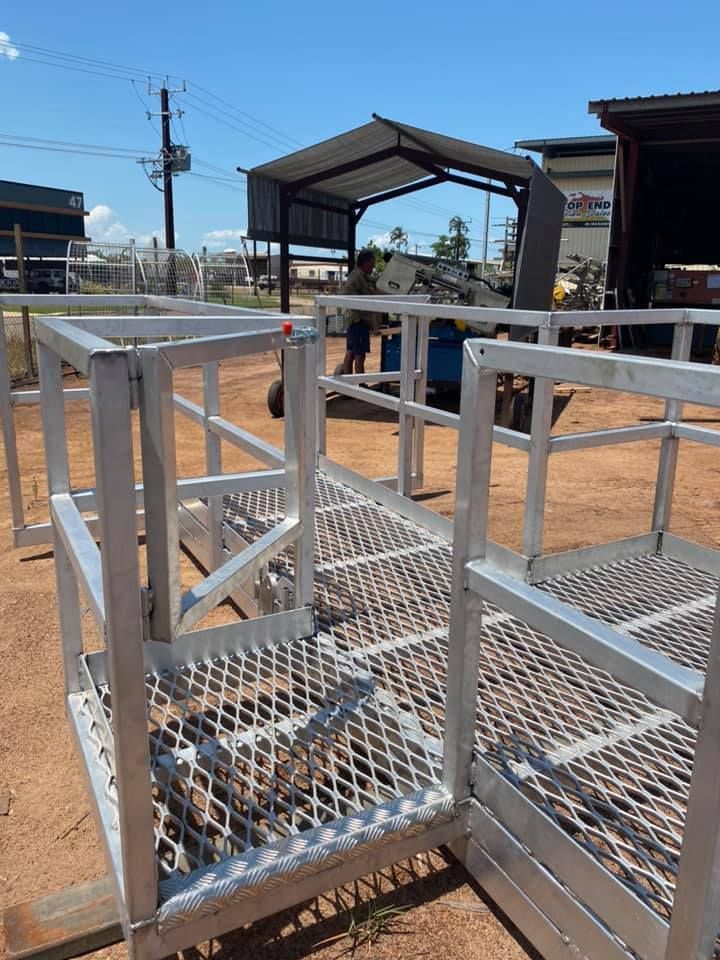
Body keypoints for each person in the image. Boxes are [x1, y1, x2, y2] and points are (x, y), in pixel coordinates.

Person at [342, 249, 377, 375]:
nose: (374, 266)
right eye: (372, 262)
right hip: (358, 320)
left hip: (357, 321)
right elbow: (347, 295)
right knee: (359, 355)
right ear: (365, 262)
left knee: (351, 351)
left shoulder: (362, 277)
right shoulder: (356, 277)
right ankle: (360, 385)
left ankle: (347, 382)